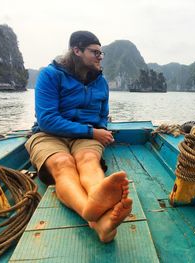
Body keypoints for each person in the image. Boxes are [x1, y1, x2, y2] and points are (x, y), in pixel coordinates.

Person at [25, 30, 132, 243]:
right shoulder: (50, 74)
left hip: (87, 134)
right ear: (77, 51)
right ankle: (95, 218)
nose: (100, 57)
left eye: (101, 53)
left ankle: (98, 205)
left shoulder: (101, 82)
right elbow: (47, 119)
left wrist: (99, 129)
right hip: (49, 134)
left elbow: (103, 114)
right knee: (63, 163)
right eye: (95, 52)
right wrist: (92, 132)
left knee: (88, 160)